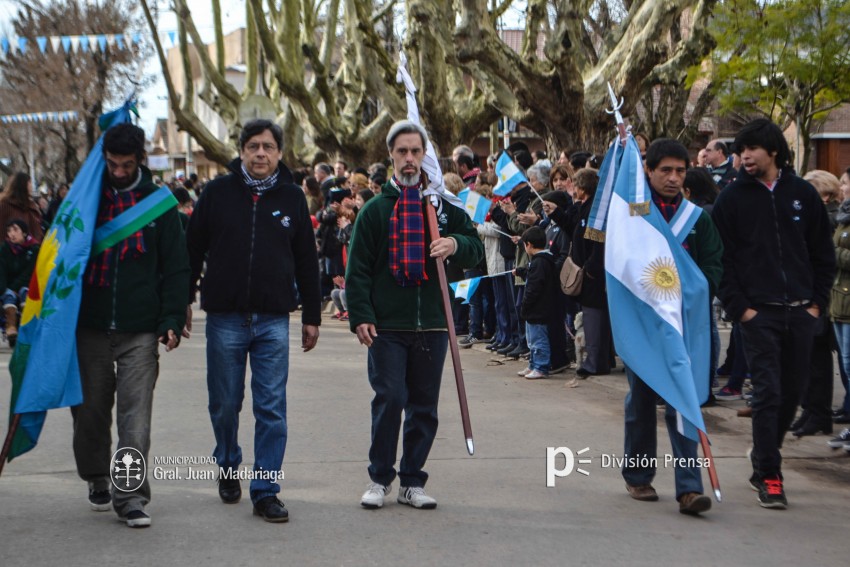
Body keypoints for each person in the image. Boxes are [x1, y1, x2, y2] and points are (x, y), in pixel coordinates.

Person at [186, 119, 322, 523]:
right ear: (241, 151)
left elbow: (307, 262)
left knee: (271, 408)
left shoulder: (293, 198)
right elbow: (191, 252)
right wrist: (180, 305)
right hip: (225, 320)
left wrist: (312, 316)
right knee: (225, 405)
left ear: (279, 153)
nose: (260, 153)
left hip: (272, 321)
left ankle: (265, 490)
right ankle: (228, 463)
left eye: (267, 147)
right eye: (252, 146)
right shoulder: (217, 193)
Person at [345, 119, 483, 510]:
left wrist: (454, 243)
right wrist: (361, 315)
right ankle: (379, 478)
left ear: (425, 156)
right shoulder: (375, 211)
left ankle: (412, 481)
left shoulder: (441, 207)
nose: (409, 160)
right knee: (390, 398)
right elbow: (357, 270)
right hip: (387, 326)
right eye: (402, 152)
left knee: (424, 405)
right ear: (390, 155)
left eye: (416, 152)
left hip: (435, 324)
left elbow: (474, 246)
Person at [712, 119, 836, 509]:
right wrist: (741, 309)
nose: (745, 156)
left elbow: (822, 255)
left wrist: (817, 304)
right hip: (757, 315)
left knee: (791, 393)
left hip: (802, 313)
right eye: (740, 150)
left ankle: (763, 456)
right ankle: (770, 474)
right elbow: (722, 260)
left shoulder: (803, 194)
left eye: (752, 149)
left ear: (774, 151)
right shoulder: (731, 199)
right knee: (767, 392)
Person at [72, 123, 190, 528]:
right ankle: (95, 476)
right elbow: (60, 252)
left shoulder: (160, 204)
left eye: (125, 165)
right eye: (111, 164)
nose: (118, 172)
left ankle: (131, 496)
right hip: (89, 326)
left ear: (140, 160)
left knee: (134, 420)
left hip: (140, 329)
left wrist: (172, 317)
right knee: (89, 414)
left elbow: (177, 268)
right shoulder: (87, 198)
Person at [622, 139, 722, 516]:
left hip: (684, 323)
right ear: (648, 172)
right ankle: (638, 473)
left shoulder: (699, 219)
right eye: (665, 170)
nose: (673, 177)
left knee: (683, 401)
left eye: (680, 171)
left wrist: (690, 290)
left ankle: (689, 488)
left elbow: (713, 266)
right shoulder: (635, 214)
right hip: (644, 324)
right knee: (642, 400)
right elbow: (621, 264)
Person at [515, 226, 559, 379]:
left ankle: (541, 366)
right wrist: (522, 272)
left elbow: (533, 288)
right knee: (532, 340)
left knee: (539, 340)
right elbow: (531, 276)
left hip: (538, 309)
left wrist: (525, 305)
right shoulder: (540, 261)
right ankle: (533, 364)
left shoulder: (540, 262)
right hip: (536, 310)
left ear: (529, 245)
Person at [0, 219, 39, 343]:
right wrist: (4, 289)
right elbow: (1, 270)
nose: (12, 234)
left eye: (15, 230)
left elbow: (30, 272)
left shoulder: (34, 248)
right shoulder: (5, 248)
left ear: (24, 233)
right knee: (8, 296)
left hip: (27, 284)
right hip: (9, 285)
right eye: (9, 231)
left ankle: (27, 326)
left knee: (26, 294)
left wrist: (14, 287)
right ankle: (10, 327)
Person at [0, 172, 44, 241]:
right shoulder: (5, 205)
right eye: (29, 182)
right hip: (14, 249)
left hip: (36, 248)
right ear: (22, 185)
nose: (31, 186)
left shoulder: (31, 205)